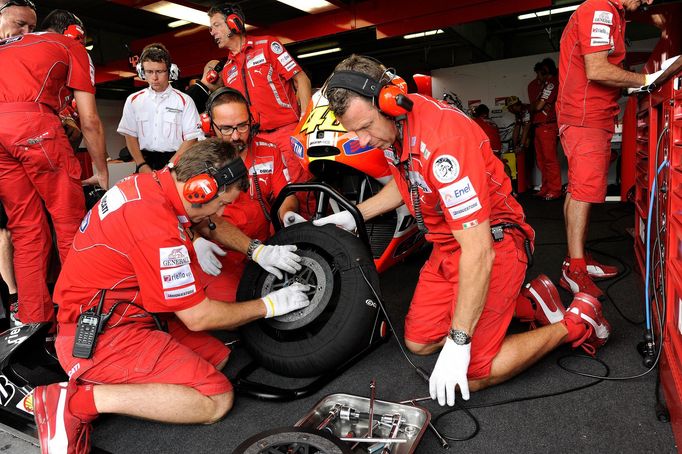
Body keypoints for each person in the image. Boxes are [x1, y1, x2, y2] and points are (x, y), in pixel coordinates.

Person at [315, 55, 610, 407]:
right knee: (420, 342)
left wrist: (459, 341)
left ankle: (578, 321)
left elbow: (479, 251)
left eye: (365, 127)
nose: (362, 140)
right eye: (354, 131)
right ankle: (530, 302)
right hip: (447, 248)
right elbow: (408, 182)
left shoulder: (443, 140)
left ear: (391, 100)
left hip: (495, 243)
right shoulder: (393, 130)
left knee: (471, 372)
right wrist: (355, 215)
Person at [32, 138, 311, 454]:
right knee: (216, 398)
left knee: (217, 357)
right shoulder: (156, 227)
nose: (223, 211)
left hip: (129, 314)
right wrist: (269, 305)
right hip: (101, 337)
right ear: (200, 190)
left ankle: (111, 383)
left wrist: (256, 250)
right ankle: (76, 401)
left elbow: (208, 222)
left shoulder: (153, 184)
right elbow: (198, 317)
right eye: (222, 203)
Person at [0, 10, 109, 325]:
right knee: (69, 224)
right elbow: (89, 120)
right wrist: (101, 171)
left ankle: (35, 323)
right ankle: (81, 316)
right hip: (35, 128)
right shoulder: (69, 44)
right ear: (74, 32)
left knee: (26, 231)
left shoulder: (6, 47)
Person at [557, 0, 660, 299]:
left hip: (588, 116)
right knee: (584, 192)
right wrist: (646, 79)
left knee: (578, 190)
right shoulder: (599, 9)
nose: (649, 1)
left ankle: (574, 259)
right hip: (585, 118)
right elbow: (597, 68)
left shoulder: (610, 12)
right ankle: (574, 270)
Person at [192, 87, 300, 301]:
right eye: (226, 128)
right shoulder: (195, 161)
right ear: (209, 126)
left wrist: (288, 214)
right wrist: (195, 240)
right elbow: (174, 210)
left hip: (265, 247)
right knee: (236, 305)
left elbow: (287, 195)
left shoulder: (269, 150)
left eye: (242, 126)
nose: (235, 136)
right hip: (220, 252)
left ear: (252, 120)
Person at [207, 3, 313, 188]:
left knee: (303, 189)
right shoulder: (227, 69)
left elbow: (301, 79)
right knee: (266, 191)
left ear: (234, 23)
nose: (212, 32)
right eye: (210, 28)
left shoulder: (267, 45)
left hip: (287, 132)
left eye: (216, 25)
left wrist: (305, 121)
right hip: (254, 139)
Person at [117, 43, 202, 173]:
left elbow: (191, 139)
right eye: (149, 72)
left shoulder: (184, 101)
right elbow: (130, 135)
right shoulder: (133, 101)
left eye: (160, 71)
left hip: (177, 163)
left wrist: (170, 166)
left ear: (170, 71)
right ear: (142, 71)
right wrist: (141, 165)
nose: (154, 77)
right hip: (144, 162)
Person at [529, 58, 562, 200]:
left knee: (550, 160)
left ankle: (555, 189)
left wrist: (532, 106)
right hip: (540, 127)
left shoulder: (551, 84)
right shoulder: (545, 85)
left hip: (548, 126)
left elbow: (537, 107)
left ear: (545, 72)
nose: (537, 77)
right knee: (541, 161)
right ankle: (546, 187)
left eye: (539, 74)